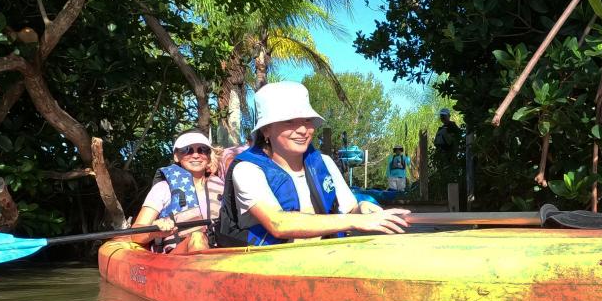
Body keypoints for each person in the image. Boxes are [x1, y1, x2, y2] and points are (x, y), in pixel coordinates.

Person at [217, 81, 409, 246]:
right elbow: (278, 224)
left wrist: (362, 209)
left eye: (307, 120)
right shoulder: (247, 170)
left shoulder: (323, 162)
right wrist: (354, 221)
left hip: (324, 261)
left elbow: (350, 209)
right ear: (266, 130)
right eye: (289, 121)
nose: (303, 129)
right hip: (269, 271)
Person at [130, 130, 223, 253]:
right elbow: (136, 234)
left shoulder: (222, 187)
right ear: (176, 156)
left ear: (209, 155)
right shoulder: (163, 188)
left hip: (219, 254)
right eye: (187, 150)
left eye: (202, 150)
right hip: (177, 256)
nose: (196, 155)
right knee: (197, 236)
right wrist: (155, 230)